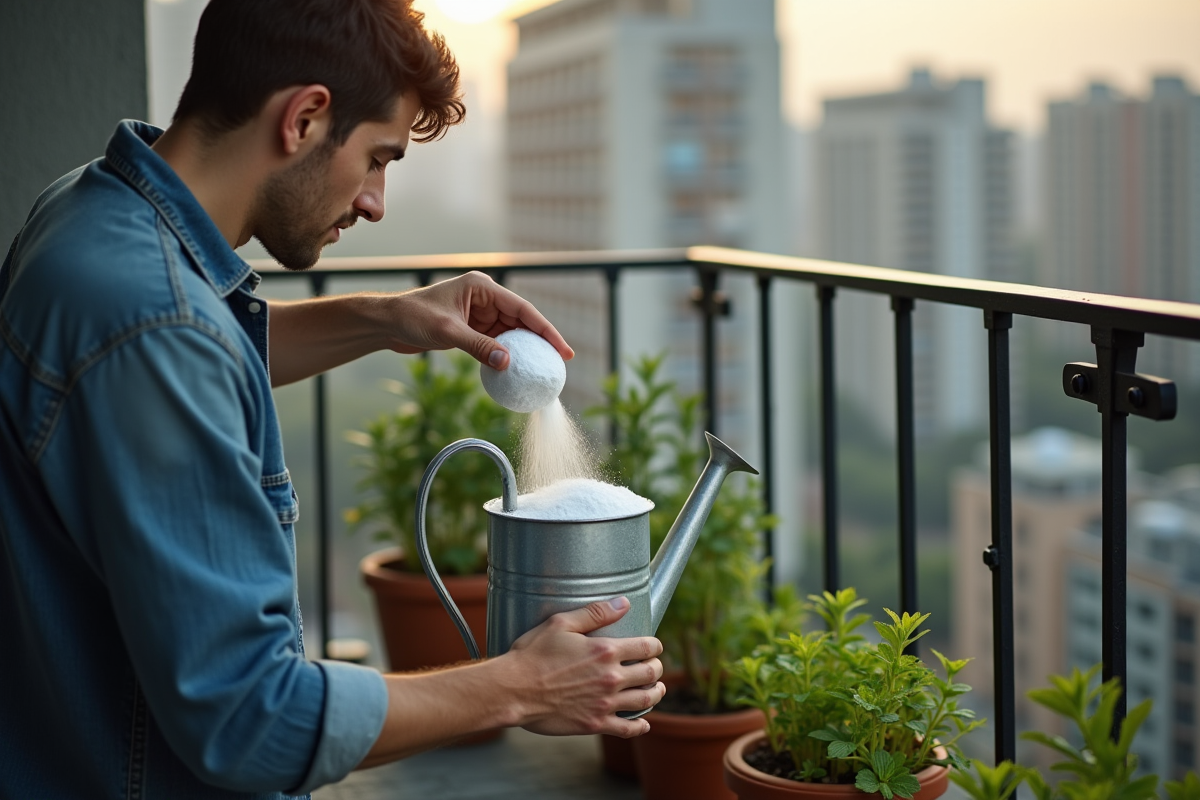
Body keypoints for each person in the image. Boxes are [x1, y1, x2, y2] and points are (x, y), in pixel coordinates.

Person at [0, 1, 665, 798]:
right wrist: (520, 684)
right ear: (306, 117)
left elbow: (194, 353)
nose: (376, 200)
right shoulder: (158, 326)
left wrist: (385, 318)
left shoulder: (83, 214)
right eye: (378, 158)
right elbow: (251, 718)